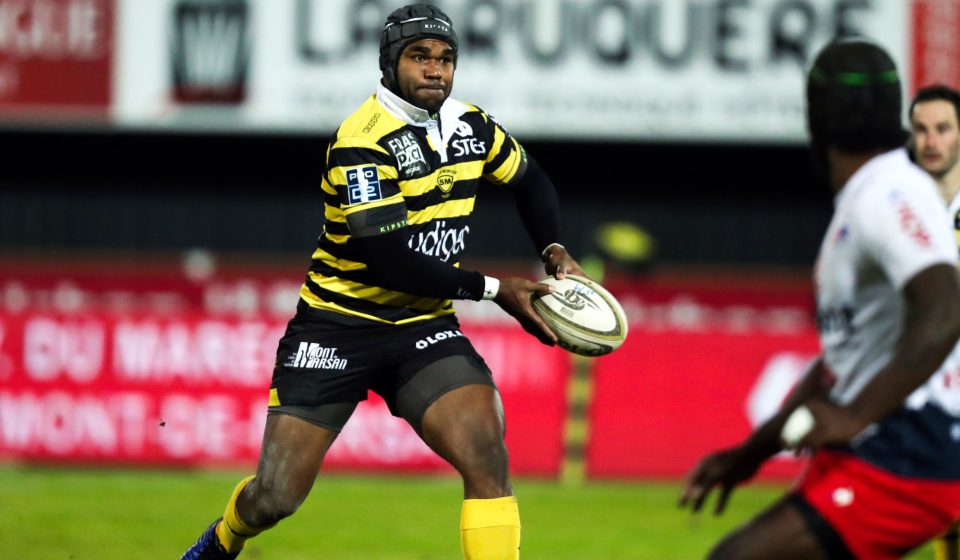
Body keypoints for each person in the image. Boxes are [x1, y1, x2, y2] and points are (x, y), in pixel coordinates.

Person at [179, 3, 582, 559]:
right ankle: (221, 541)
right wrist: (496, 290)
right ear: (389, 64)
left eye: (446, 59)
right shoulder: (362, 140)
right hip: (335, 327)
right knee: (274, 498)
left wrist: (554, 250)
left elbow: (531, 181)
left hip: (422, 326)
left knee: (486, 452)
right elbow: (388, 261)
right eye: (420, 57)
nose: (435, 70)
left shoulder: (472, 125)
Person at [678, 38, 960, 559]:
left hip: (908, 452)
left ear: (815, 118)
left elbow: (945, 310)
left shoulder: (888, 194)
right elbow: (836, 366)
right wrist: (751, 453)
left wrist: (855, 416)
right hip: (884, 447)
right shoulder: (869, 198)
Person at [910, 83, 960, 560]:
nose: (932, 141)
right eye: (921, 129)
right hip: (933, 398)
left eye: (943, 128)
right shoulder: (905, 210)